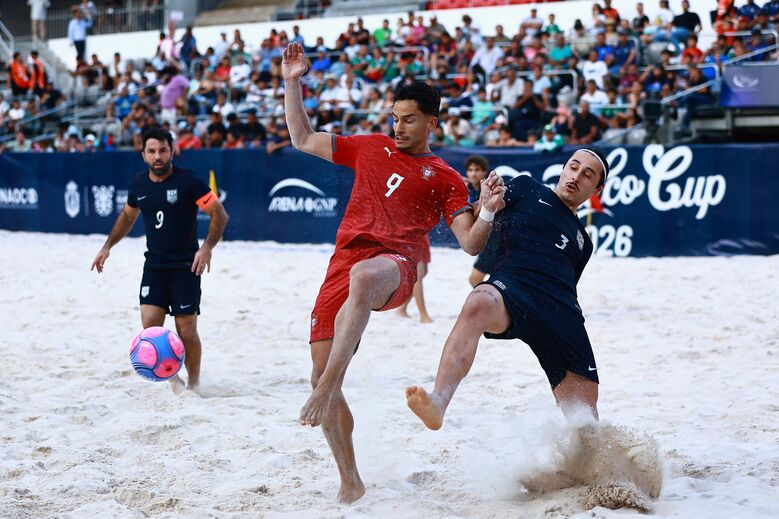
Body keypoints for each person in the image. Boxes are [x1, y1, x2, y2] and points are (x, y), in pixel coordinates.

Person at [281, 42, 505, 503]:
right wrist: (292, 82)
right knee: (319, 366)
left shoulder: (444, 175)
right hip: (343, 260)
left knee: (364, 280)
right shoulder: (369, 146)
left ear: (432, 123)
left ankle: (327, 389)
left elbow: (469, 244)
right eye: (395, 118)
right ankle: (351, 479)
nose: (398, 126)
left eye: (408, 119)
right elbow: (301, 139)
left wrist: (486, 212)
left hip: (396, 267)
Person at [406, 148, 610, 433]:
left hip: (560, 310)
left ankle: (589, 464)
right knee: (477, 302)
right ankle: (438, 401)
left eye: (587, 175)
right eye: (573, 167)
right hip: (512, 285)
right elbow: (476, 216)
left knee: (585, 420)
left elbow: (568, 284)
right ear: (563, 168)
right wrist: (487, 204)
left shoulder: (582, 241)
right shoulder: (526, 187)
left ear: (597, 188)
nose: (576, 176)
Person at [90, 128, 229, 394]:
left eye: (163, 150)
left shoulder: (189, 182)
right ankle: (173, 381)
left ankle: (195, 382)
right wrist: (107, 246)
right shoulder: (139, 185)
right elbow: (127, 217)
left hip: (187, 265)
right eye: (152, 151)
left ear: (171, 151)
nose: (158, 156)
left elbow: (219, 214)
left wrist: (207, 247)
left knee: (186, 331)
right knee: (150, 327)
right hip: (154, 265)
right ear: (143, 155)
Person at [463, 155, 495, 287]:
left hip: (495, 240)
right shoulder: (469, 188)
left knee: (474, 279)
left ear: (484, 172)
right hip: (487, 240)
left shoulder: (489, 187)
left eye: (477, 170)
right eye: (470, 170)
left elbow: (476, 215)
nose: (473, 173)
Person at [396, 234, 433, 323]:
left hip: (421, 232)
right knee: (418, 275)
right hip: (411, 232)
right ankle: (423, 315)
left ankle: (402, 308)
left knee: (423, 272)